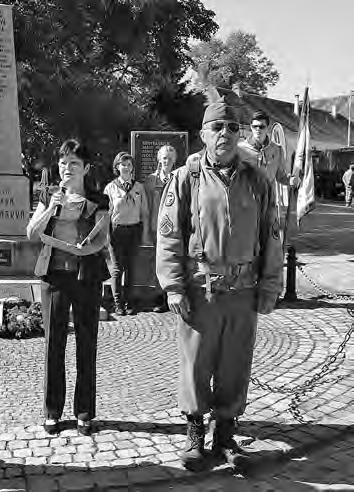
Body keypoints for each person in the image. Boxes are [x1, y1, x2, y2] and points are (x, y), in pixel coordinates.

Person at [155, 98, 283, 472]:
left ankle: (226, 435)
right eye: (216, 127)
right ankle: (196, 436)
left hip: (243, 292)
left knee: (234, 366)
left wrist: (271, 285)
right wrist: (173, 286)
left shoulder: (258, 180)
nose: (224, 133)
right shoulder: (186, 177)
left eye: (231, 127)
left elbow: (272, 236)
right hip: (200, 292)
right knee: (196, 365)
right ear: (203, 135)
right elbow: (168, 237)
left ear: (239, 134)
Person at [26, 139, 110, 437]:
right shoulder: (48, 195)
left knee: (87, 344)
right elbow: (32, 232)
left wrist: (82, 250)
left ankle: (84, 412)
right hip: (54, 277)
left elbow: (102, 239)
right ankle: (52, 411)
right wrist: (50, 209)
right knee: (54, 344)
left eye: (74, 163)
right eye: (63, 163)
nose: (67, 168)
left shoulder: (99, 200)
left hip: (86, 277)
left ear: (86, 168)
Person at [103, 152, 150, 315]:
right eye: (123, 164)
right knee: (117, 269)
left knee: (131, 267)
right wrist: (106, 235)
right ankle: (118, 304)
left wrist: (144, 233)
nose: (126, 167)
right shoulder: (110, 187)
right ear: (117, 167)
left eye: (129, 165)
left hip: (134, 229)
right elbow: (105, 215)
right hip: (117, 230)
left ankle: (129, 302)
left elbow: (144, 212)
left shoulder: (139, 187)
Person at [238, 110, 301, 201]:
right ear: (251, 127)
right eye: (255, 126)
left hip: (268, 202)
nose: (258, 129)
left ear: (267, 128)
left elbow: (281, 176)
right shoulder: (240, 149)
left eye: (261, 127)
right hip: (247, 201)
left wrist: (291, 180)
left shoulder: (277, 150)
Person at [144, 145, 178, 313]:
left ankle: (170, 295)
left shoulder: (178, 178)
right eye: (164, 158)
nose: (167, 161)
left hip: (174, 229)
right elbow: (146, 207)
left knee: (172, 261)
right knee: (156, 263)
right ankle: (158, 297)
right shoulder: (150, 180)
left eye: (170, 158)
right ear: (159, 159)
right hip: (155, 228)